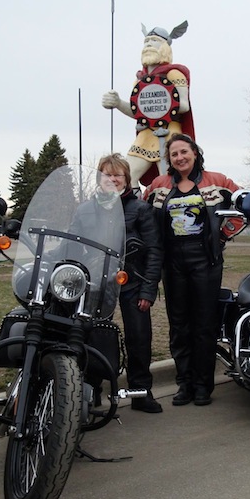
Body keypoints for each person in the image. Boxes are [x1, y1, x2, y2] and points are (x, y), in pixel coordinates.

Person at [143, 134, 244, 406]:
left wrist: (223, 236)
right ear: (169, 160)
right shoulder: (157, 186)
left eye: (184, 152)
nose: (180, 158)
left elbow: (244, 204)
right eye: (174, 154)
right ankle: (184, 384)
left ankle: (203, 386)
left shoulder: (218, 181)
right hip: (173, 262)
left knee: (204, 324)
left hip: (205, 261)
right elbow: (143, 217)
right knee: (179, 325)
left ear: (195, 153)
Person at [96, 154, 163, 412]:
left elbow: (154, 252)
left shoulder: (141, 209)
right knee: (94, 337)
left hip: (134, 283)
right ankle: (92, 390)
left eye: (118, 175)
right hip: (98, 286)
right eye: (107, 174)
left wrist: (148, 289)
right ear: (100, 178)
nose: (112, 179)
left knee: (139, 338)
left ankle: (141, 393)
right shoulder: (86, 209)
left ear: (126, 178)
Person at [102, 21, 193, 188]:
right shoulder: (140, 79)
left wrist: (161, 106)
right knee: (125, 178)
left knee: (169, 182)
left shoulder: (174, 73)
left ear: (165, 46)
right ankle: (135, 210)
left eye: (154, 41)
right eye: (147, 41)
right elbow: (138, 111)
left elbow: (184, 105)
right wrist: (118, 103)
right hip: (145, 136)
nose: (149, 44)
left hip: (169, 135)